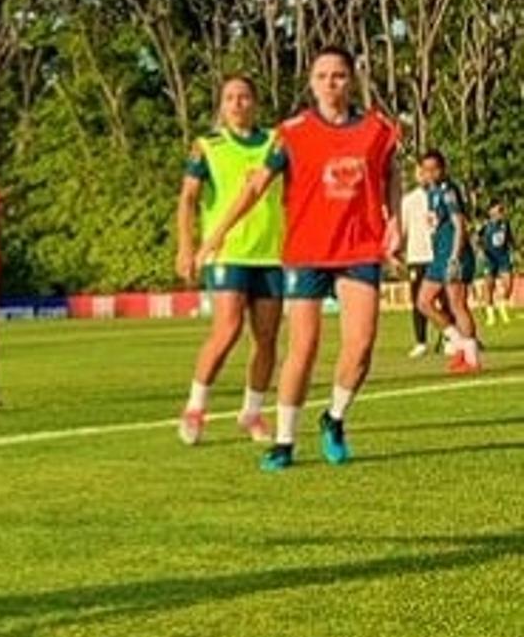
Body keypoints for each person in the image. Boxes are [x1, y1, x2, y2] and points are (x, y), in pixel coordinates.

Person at [199, 48, 399, 471]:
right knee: (302, 347)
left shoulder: (377, 128)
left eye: (340, 75)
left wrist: (394, 219)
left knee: (361, 345)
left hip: (359, 245)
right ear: (311, 82)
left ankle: (335, 417)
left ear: (352, 80)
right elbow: (255, 188)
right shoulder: (292, 132)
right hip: (307, 251)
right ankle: (285, 440)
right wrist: (216, 234)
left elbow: (390, 172)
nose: (331, 83)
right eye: (323, 75)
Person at [173, 76, 282, 446]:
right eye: (230, 98)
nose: (237, 103)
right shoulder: (208, 146)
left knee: (266, 337)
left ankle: (252, 411)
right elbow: (188, 198)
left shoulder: (275, 142)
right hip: (227, 253)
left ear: (255, 102)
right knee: (227, 329)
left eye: (244, 96)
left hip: (270, 253)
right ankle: (195, 407)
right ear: (221, 105)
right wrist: (187, 246)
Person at [415, 151, 482, 373]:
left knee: (457, 304)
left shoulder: (448, 191)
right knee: (423, 302)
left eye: (434, 168)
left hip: (453, 255)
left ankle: (471, 357)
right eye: (426, 169)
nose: (430, 173)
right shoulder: (431, 192)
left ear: (443, 169)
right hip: (439, 256)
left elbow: (459, 225)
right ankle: (458, 342)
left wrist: (455, 256)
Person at [398, 169, 444, 357]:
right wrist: (397, 253)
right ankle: (421, 341)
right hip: (417, 257)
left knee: (444, 299)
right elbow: (402, 229)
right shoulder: (409, 200)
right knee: (418, 301)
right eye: (420, 173)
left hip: (438, 255)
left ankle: (449, 337)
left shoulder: (441, 196)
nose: (424, 176)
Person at [476, 201, 513, 327]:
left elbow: (509, 239)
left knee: (508, 284)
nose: (500, 213)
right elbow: (477, 239)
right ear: (491, 212)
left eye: (501, 210)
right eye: (498, 210)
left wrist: (515, 249)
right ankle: (491, 315)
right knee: (489, 287)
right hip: (489, 258)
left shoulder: (505, 224)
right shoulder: (485, 225)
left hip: (503, 257)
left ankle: (502, 307)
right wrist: (480, 250)